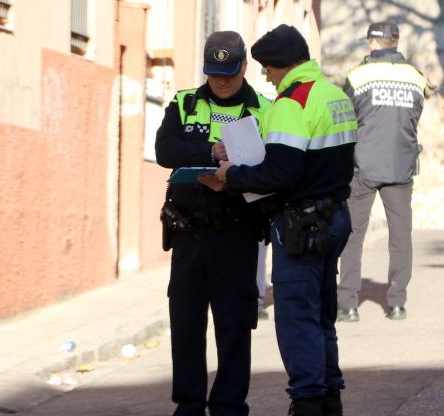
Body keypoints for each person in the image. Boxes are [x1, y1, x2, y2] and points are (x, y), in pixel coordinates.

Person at [203, 24, 357, 416]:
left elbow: (280, 173)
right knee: (322, 316)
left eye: (267, 69)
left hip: (301, 226)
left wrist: (231, 175)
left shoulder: (292, 103)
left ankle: (307, 401)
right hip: (334, 216)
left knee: (296, 319)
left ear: (278, 66)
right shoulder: (333, 95)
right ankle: (329, 398)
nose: (266, 77)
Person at [155, 30, 271, 416]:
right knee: (186, 324)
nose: (221, 80)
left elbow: (272, 166)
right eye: (214, 72)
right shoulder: (185, 102)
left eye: (229, 72)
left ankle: (229, 406)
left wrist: (233, 171)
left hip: (236, 232)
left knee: (234, 326)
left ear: (244, 67)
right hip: (189, 232)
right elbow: (164, 149)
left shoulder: (264, 109)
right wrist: (208, 150)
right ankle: (189, 405)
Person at [336, 21, 427, 322]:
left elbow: (347, 120)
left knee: (352, 235)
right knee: (401, 237)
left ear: (373, 44)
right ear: (396, 42)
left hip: (363, 166)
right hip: (401, 166)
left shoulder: (358, 76)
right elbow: (414, 117)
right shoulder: (415, 77)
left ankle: (348, 305)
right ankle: (398, 303)